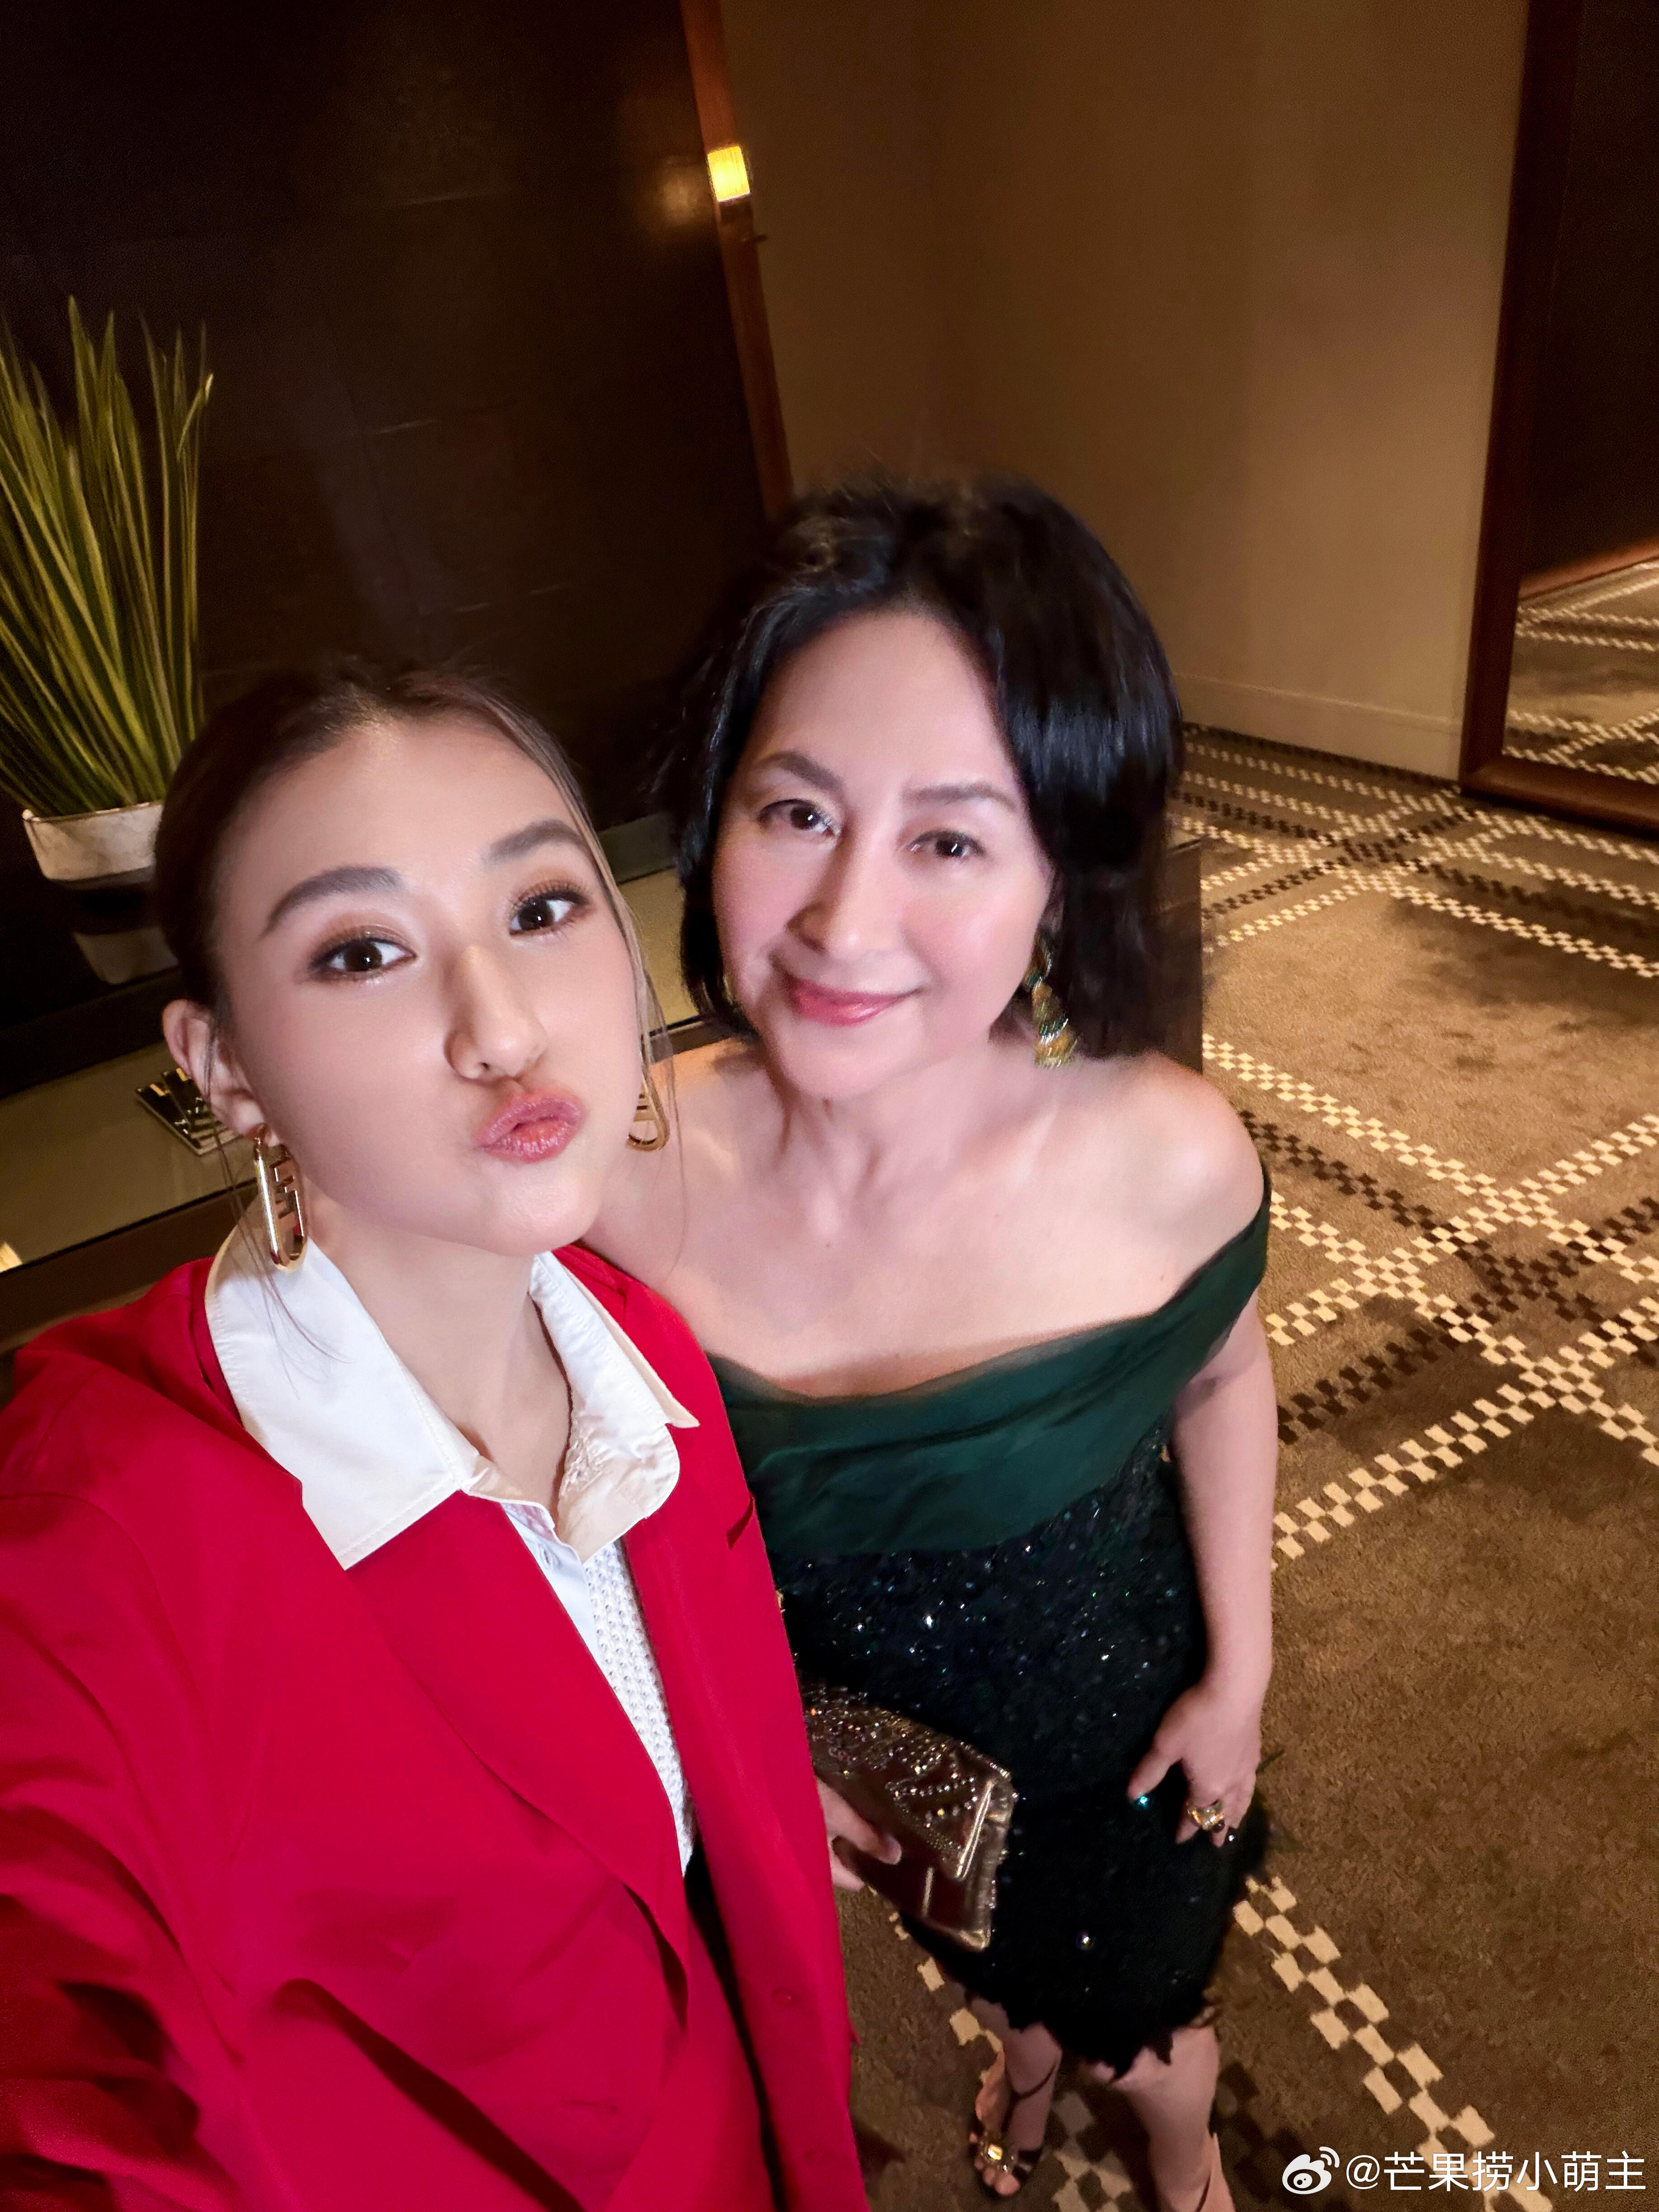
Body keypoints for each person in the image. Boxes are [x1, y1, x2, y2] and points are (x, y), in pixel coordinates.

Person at [0, 665, 867, 2212]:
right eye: (363, 951)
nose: (503, 1027)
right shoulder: (94, 1557)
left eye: (541, 908)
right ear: (225, 1069)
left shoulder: (632, 1342)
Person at [589, 477, 1278, 2205]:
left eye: (951, 841)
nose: (842, 921)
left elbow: (1225, 1375)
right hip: (875, 1769)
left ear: (1059, 877)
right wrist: (747, 1758)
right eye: (796, 812)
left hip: (1116, 1740)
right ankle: (1020, 2056)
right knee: (993, 1974)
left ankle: (1184, 2169)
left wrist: (1242, 1678)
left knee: (1148, 2041)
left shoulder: (1167, 1158)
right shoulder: (620, 1175)